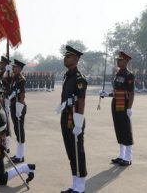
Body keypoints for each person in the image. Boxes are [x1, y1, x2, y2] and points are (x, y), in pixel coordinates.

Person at [57, 45, 87, 193]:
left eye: (68, 56)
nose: (65, 58)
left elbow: (81, 101)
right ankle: (74, 183)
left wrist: (79, 123)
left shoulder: (79, 78)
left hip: (75, 119)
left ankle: (81, 186)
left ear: (75, 59)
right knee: (70, 152)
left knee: (78, 152)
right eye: (65, 56)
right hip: (65, 117)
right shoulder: (67, 76)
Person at [100, 51, 134, 167]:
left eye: (119, 60)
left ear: (125, 61)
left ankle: (128, 157)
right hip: (116, 103)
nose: (117, 61)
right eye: (117, 60)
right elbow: (116, 92)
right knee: (118, 128)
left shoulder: (129, 75)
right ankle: (121, 155)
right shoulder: (118, 74)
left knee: (126, 129)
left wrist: (129, 108)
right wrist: (106, 94)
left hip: (124, 104)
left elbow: (131, 93)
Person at [9, 59, 27, 163]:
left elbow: (22, 95)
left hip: (18, 107)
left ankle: (21, 155)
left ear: (19, 68)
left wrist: (19, 109)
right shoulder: (13, 78)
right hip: (13, 105)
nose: (12, 68)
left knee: (20, 130)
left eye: (14, 67)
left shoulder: (21, 79)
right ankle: (18, 153)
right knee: (16, 129)